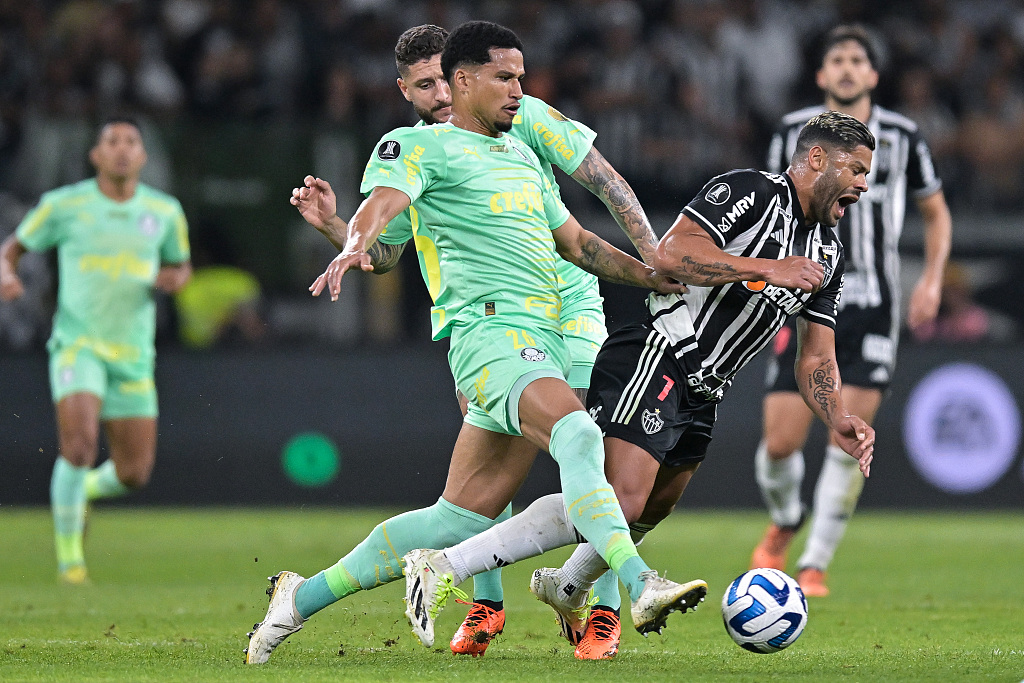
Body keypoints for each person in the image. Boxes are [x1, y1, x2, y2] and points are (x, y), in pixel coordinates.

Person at [246, 21, 699, 665]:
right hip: (490, 331)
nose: (518, 90)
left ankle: (299, 598)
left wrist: (651, 272)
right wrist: (347, 238)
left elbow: (577, 238)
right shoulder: (415, 147)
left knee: (458, 519)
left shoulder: (523, 146)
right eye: (504, 78)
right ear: (451, 83)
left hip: (555, 320)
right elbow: (383, 214)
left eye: (520, 78)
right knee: (579, 435)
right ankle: (634, 585)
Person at [400, 110, 877, 660]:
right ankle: (443, 565)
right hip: (659, 351)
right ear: (816, 159)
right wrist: (765, 267)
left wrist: (836, 416)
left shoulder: (828, 252)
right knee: (618, 498)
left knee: (650, 507)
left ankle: (566, 585)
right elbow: (671, 253)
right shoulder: (751, 192)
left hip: (706, 389)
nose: (864, 184)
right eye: (856, 169)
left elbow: (815, 354)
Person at [750, 25, 952, 597]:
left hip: (873, 306)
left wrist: (932, 279)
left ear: (873, 74)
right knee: (780, 444)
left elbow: (935, 211)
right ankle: (787, 517)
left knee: (847, 440)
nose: (846, 67)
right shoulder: (793, 131)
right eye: (835, 58)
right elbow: (772, 201)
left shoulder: (904, 136)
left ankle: (814, 563)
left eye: (856, 59)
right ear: (820, 74)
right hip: (801, 297)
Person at [0, 117, 191, 584]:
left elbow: (181, 264)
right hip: (77, 345)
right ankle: (71, 564)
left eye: (131, 142)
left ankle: (81, 489)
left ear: (143, 157)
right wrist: (6, 273)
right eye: (112, 141)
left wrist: (174, 278)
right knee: (80, 445)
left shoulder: (164, 211)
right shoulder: (64, 205)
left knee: (133, 473)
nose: (122, 149)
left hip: (133, 353)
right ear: (96, 155)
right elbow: (12, 249)